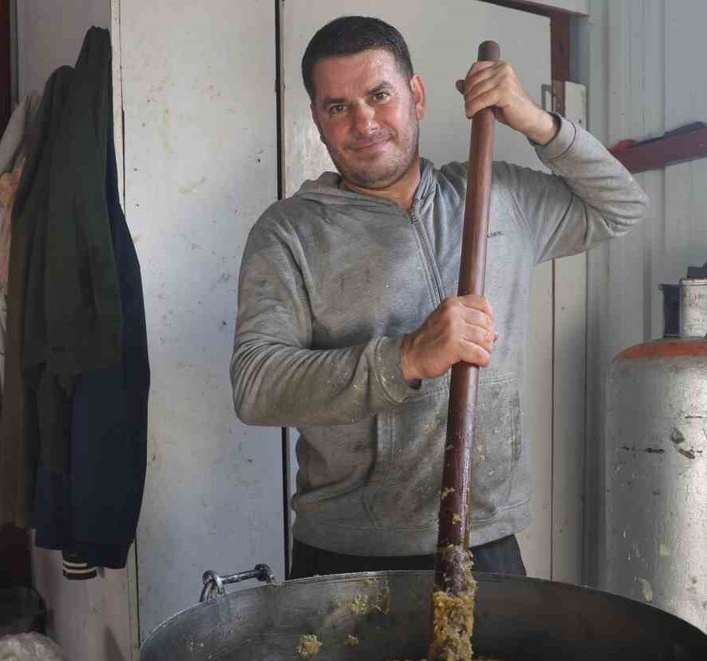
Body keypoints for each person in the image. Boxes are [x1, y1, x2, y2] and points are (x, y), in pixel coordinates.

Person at [231, 16, 647, 578]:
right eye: (338, 107)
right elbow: (257, 385)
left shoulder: (498, 195)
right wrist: (404, 358)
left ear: (417, 96)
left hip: (487, 540)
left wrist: (537, 121)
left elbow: (622, 206)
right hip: (349, 553)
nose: (364, 122)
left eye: (380, 95)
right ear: (317, 120)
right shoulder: (289, 233)